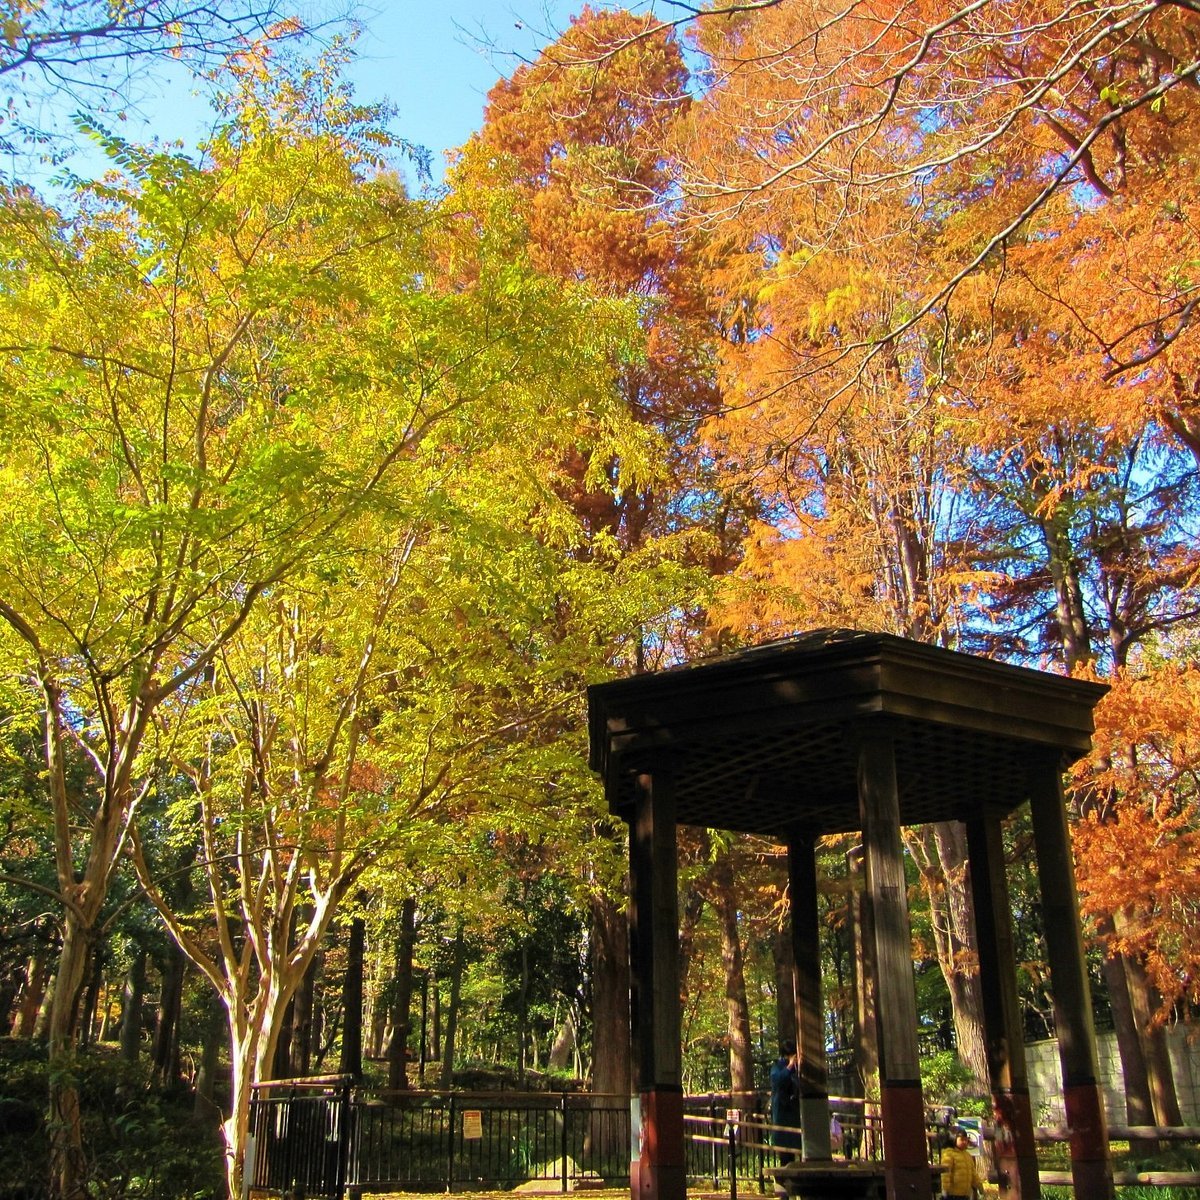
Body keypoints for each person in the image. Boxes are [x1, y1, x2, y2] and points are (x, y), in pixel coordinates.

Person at [769, 1038, 802, 1164]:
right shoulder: (777, 1067)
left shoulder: (797, 1069)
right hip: (782, 1113)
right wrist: (789, 1067)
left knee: (796, 1145)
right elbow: (777, 1082)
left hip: (794, 1113)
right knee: (785, 1150)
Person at [940, 1126, 983, 1200]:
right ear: (953, 1139)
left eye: (966, 1140)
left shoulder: (967, 1155)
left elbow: (973, 1173)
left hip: (965, 1195)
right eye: (962, 1140)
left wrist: (979, 1185)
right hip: (952, 1195)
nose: (965, 1142)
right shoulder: (949, 1154)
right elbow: (946, 1173)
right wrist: (945, 1190)